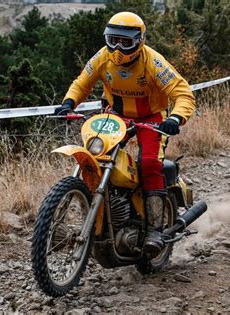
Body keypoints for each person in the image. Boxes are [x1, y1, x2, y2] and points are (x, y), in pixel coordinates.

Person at [54, 11, 196, 258]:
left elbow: (183, 93)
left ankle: (154, 229)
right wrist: (68, 103)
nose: (118, 48)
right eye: (113, 40)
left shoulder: (153, 62)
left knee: (149, 163)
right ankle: (100, 212)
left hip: (151, 118)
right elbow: (82, 82)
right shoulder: (103, 56)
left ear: (139, 41)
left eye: (126, 42)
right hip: (115, 116)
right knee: (96, 155)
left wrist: (175, 117)